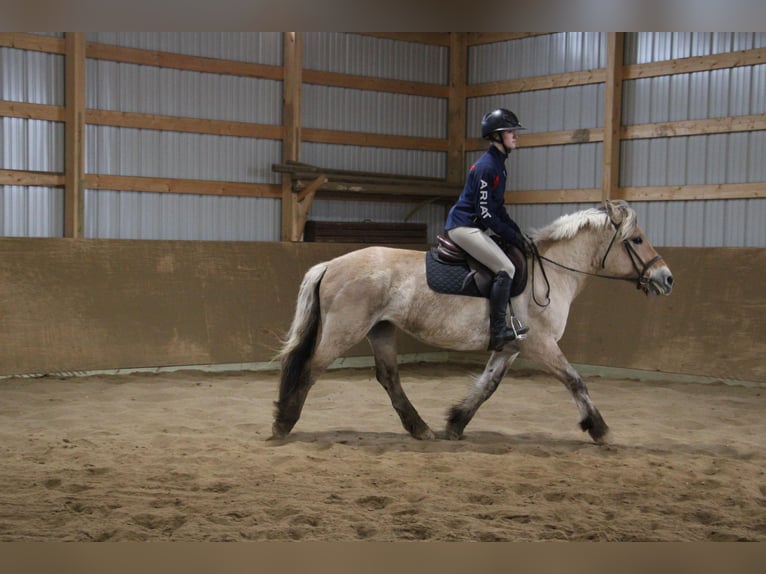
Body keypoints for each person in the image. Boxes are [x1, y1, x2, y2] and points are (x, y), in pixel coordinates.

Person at [444, 108, 529, 351]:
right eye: (510, 131)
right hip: (463, 226)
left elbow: (498, 208)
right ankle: (498, 330)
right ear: (495, 136)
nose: (515, 136)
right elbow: (485, 213)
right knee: (506, 267)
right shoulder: (486, 167)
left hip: (475, 226)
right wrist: (508, 234)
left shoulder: (499, 166)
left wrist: (516, 232)